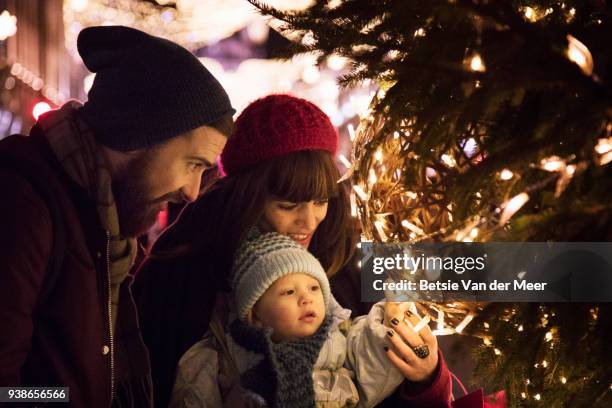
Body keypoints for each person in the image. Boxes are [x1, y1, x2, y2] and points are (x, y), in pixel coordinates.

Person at [134, 94, 452, 407]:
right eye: (288, 205)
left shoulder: (348, 252)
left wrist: (427, 378)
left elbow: (390, 379)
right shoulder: (186, 264)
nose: (309, 221)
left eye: (321, 201)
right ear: (247, 197)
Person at [0, 25, 235, 407]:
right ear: (139, 134)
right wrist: (64, 400)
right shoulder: (24, 205)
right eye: (193, 164)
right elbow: (6, 392)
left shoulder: (109, 222)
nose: (192, 192)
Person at [171, 231, 407, 407]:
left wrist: (389, 320)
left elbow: (374, 366)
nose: (306, 299)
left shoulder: (342, 340)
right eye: (289, 292)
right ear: (255, 314)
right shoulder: (224, 356)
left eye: (314, 288)